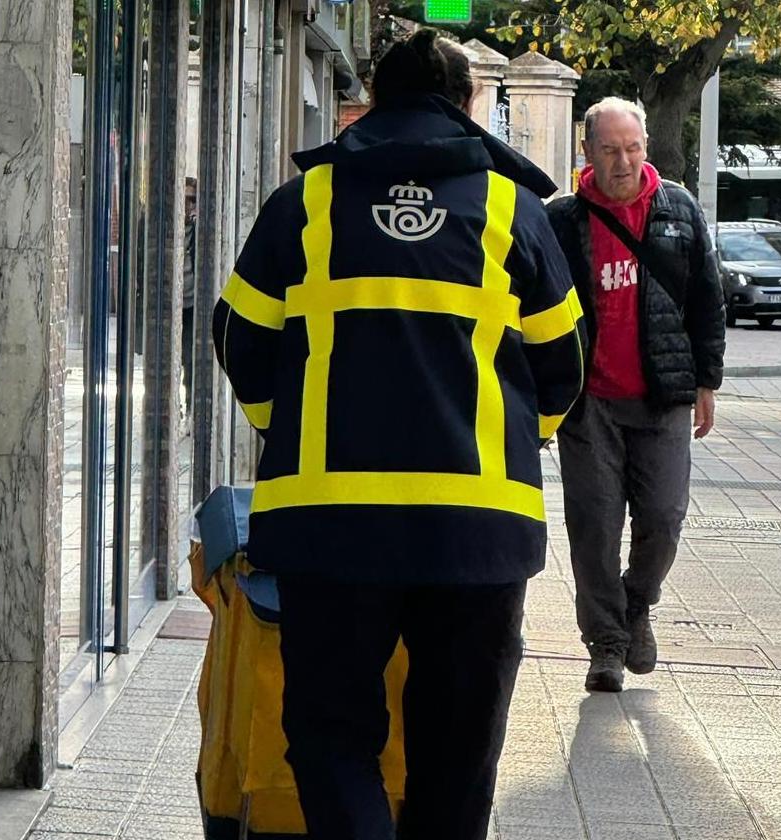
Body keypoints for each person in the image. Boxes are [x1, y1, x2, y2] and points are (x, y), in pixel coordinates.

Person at [212, 29, 586, 840]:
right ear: (469, 104)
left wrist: (290, 430)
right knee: (456, 757)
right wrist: (516, 438)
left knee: (332, 739)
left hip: (328, 526)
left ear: (371, 99)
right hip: (477, 535)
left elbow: (242, 340)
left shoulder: (306, 202)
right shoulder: (509, 209)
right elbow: (565, 366)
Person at [547, 98, 726, 693]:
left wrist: (707, 380)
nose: (623, 162)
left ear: (645, 148)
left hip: (663, 394)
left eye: (633, 149)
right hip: (587, 400)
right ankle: (605, 644)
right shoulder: (562, 219)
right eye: (609, 150)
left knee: (665, 518)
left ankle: (637, 603)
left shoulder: (678, 208)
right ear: (588, 152)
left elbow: (708, 295)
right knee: (593, 525)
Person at [182, 176, 197, 419]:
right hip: (172, 305)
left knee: (189, 358)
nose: (187, 205)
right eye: (183, 199)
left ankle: (190, 406)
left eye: (191, 199)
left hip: (193, 304)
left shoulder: (198, 231)